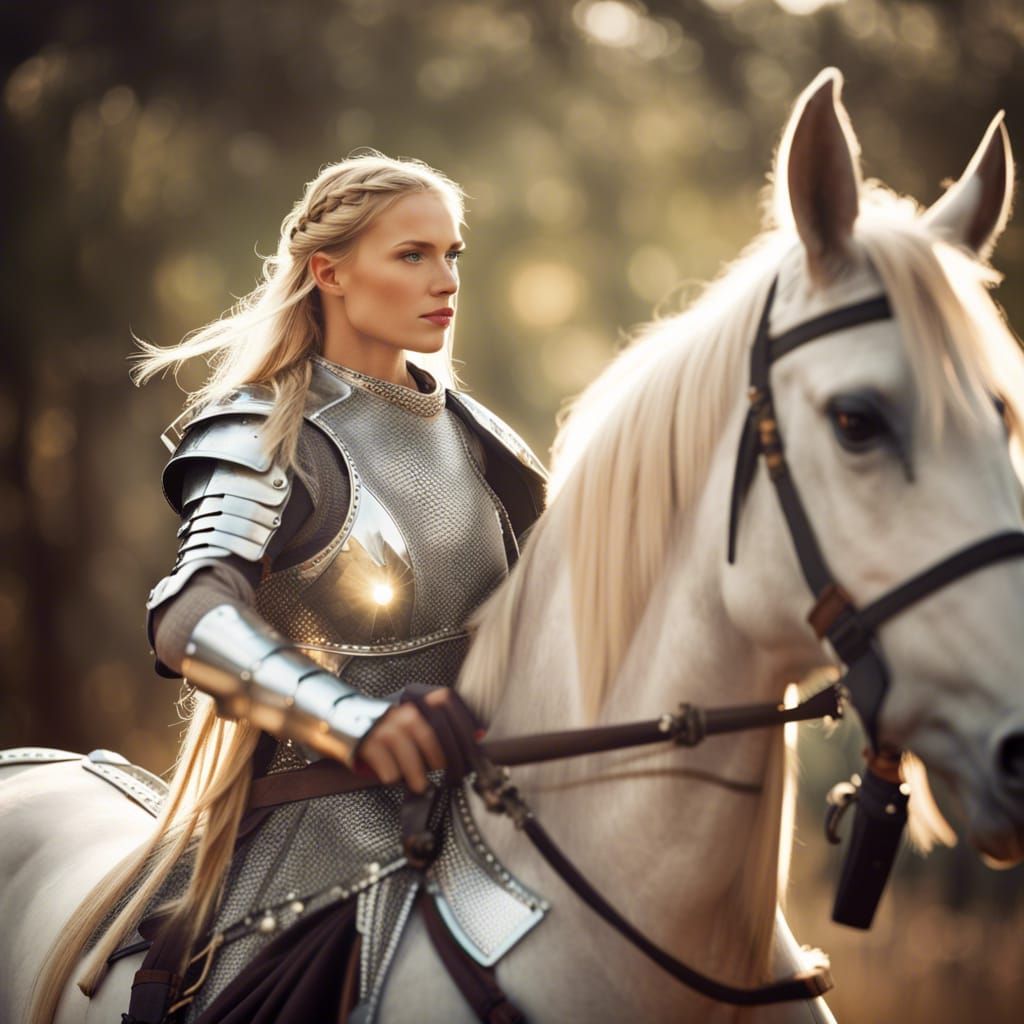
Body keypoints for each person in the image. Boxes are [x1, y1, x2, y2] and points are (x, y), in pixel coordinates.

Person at [34, 152, 547, 1024]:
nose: (445, 279)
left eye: (452, 254)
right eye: (412, 255)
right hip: (316, 844)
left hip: (487, 820)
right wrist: (357, 723)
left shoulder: (481, 438)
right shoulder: (267, 430)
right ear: (330, 272)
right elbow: (190, 619)